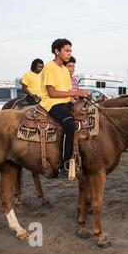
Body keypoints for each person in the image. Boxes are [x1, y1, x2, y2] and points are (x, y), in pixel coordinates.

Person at [39, 39, 90, 178]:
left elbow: (67, 92)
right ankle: (65, 165)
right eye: (66, 51)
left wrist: (80, 100)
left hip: (65, 102)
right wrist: (77, 93)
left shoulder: (64, 70)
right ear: (57, 51)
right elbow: (52, 93)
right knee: (69, 123)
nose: (69, 54)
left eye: (70, 51)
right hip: (51, 103)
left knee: (88, 115)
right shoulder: (50, 67)